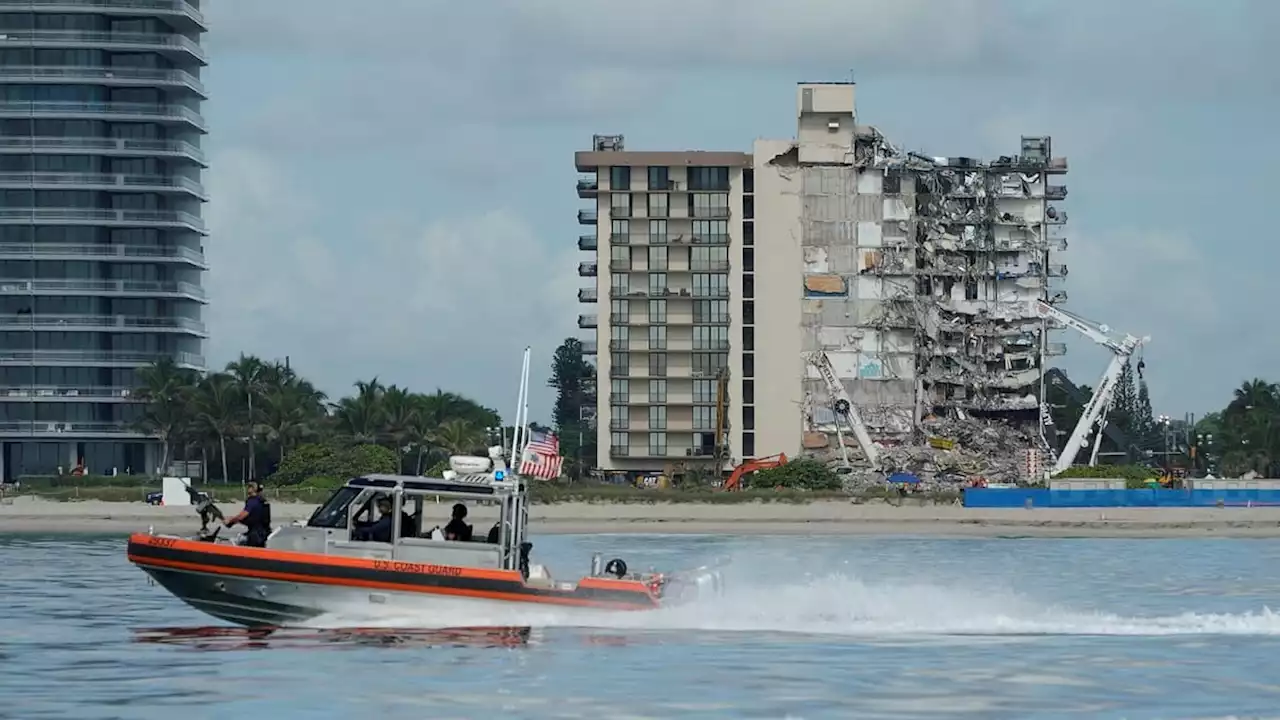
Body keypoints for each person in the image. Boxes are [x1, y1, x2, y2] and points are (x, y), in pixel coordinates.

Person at [224, 481, 272, 548]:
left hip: (255, 535)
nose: (248, 489)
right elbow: (253, 519)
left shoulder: (252, 501)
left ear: (253, 489)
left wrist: (230, 520)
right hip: (265, 533)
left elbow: (242, 516)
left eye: (249, 487)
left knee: (238, 542)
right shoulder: (262, 501)